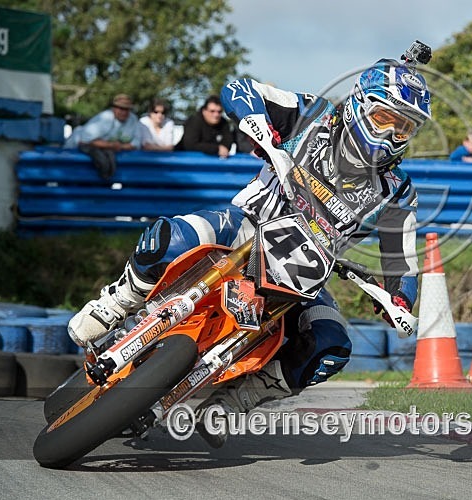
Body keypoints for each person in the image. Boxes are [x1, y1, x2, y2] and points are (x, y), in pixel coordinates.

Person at [67, 44, 433, 448]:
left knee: (331, 345)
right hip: (246, 229)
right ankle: (119, 300)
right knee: (171, 235)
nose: (391, 135)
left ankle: (238, 400)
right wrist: (257, 120)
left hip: (306, 274)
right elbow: (240, 89)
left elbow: (403, 257)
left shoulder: (397, 191)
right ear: (359, 106)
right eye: (385, 119)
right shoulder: (313, 115)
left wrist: (400, 301)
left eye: (405, 128)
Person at [63, 93, 141, 179]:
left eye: (127, 109)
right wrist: (111, 145)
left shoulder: (133, 119)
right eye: (120, 108)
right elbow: (84, 140)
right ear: (113, 108)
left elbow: (136, 143)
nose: (124, 112)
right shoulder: (105, 117)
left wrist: (119, 146)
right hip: (73, 151)